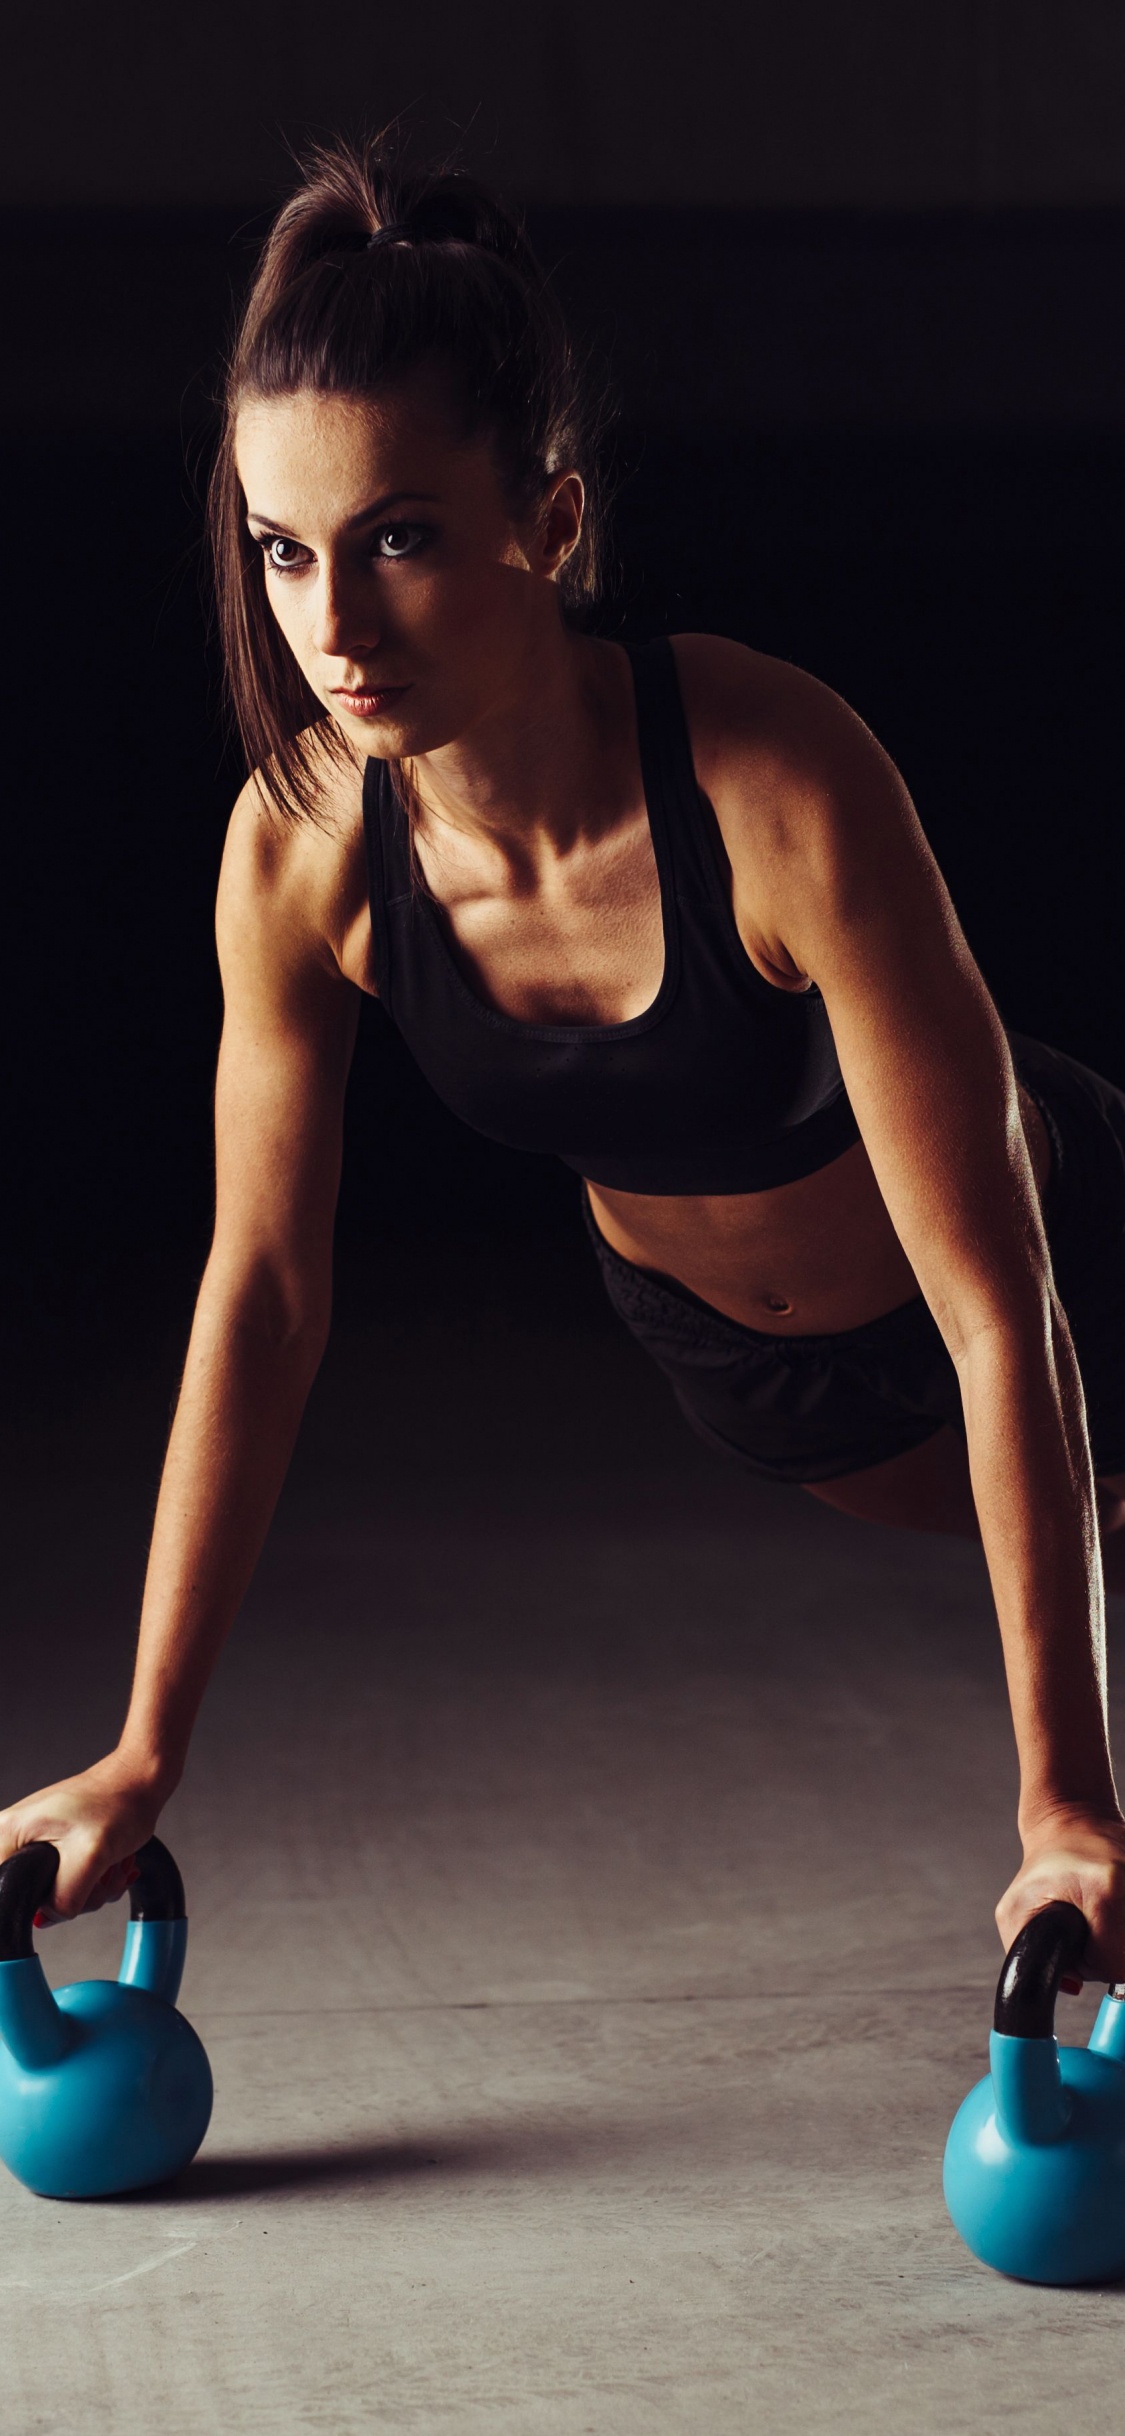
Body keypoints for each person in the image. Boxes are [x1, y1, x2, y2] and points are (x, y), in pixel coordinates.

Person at [4, 138, 1125, 1985]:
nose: (332, 630)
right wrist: (142, 1749)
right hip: (770, 1391)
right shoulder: (295, 854)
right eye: (284, 550)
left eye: (402, 537)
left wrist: (1058, 1804)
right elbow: (264, 1294)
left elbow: (999, 1300)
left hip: (1058, 1257)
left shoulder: (775, 779)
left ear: (552, 519)